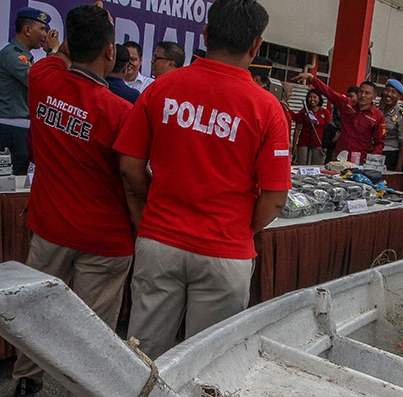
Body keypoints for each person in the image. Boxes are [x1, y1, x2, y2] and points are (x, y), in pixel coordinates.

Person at [115, 0, 290, 362]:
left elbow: (130, 166)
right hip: (225, 252)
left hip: (160, 240)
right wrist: (240, 227)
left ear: (206, 34)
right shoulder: (267, 108)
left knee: (143, 356)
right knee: (208, 363)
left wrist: (152, 209)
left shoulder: (162, 88)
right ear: (256, 45)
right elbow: (275, 197)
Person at [15, 4, 136, 397]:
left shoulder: (42, 77)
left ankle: (26, 378)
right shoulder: (118, 111)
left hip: (49, 225)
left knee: (35, 311)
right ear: (110, 52)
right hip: (104, 237)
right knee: (92, 330)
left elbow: (63, 52)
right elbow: (131, 176)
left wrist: (82, 31)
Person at [0, 7, 59, 175]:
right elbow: (41, 83)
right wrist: (53, 53)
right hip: (10, 129)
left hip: (21, 129)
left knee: (19, 182)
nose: (45, 35)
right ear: (27, 30)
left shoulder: (24, 56)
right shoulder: (12, 54)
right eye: (42, 29)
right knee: (7, 183)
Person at [293, 73, 384, 164]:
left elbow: (379, 142)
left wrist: (372, 162)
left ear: (374, 96)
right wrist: (312, 78)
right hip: (340, 156)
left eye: (367, 93)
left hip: (360, 160)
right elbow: (329, 92)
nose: (363, 95)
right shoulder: (347, 104)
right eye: (361, 92)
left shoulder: (378, 116)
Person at [380, 79, 403, 171]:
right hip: (374, 152)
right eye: (387, 90)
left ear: (400, 96)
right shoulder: (378, 110)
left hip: (390, 154)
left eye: (393, 92)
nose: (389, 94)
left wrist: (398, 169)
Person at [291, 89, 330, 165]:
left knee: (317, 166)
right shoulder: (303, 111)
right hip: (303, 143)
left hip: (319, 144)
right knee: (302, 165)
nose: (312, 99)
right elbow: (297, 129)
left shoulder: (325, 112)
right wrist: (294, 145)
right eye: (310, 97)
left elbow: (327, 130)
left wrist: (326, 145)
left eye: (314, 97)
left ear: (319, 98)